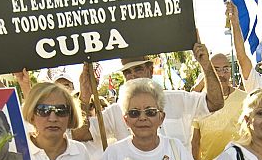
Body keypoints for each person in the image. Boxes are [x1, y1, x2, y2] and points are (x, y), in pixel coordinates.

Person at [77, 46, 224, 147]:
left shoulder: (179, 99)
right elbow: (80, 135)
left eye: (138, 69)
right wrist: (84, 97)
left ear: (150, 70)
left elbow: (215, 103)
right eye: (128, 72)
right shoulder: (115, 112)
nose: (133, 76)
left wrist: (206, 65)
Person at [191, 52, 248, 160]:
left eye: (226, 69)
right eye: (216, 70)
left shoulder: (245, 99)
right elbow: (195, 141)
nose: (222, 74)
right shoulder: (199, 102)